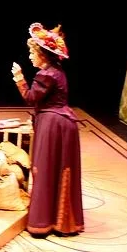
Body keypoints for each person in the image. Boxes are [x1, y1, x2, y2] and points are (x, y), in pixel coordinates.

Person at [10, 23, 84, 236]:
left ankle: (44, 221)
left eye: (32, 53)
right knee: (57, 170)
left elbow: (31, 98)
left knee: (46, 170)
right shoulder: (56, 71)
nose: (30, 57)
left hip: (54, 126)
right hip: (61, 123)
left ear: (42, 55)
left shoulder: (47, 75)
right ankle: (59, 221)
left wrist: (19, 78)